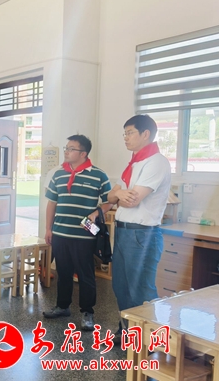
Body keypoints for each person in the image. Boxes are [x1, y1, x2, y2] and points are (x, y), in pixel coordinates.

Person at [108, 115, 171, 335]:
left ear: (146, 134)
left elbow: (132, 200)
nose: (125, 138)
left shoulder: (156, 162)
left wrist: (119, 194)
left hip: (142, 234)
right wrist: (119, 194)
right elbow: (110, 197)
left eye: (130, 132)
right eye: (124, 133)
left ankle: (149, 340)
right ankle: (127, 332)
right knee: (121, 286)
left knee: (141, 290)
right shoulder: (134, 163)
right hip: (123, 231)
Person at [42, 135, 112, 331]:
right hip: (61, 232)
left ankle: (87, 312)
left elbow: (109, 201)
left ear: (83, 153)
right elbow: (52, 203)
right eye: (66, 148)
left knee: (85, 273)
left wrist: (96, 213)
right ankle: (62, 306)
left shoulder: (99, 175)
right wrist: (48, 229)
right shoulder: (58, 174)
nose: (66, 151)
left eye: (71, 148)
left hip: (85, 233)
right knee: (63, 272)